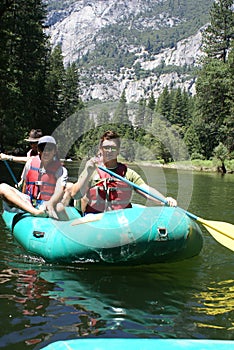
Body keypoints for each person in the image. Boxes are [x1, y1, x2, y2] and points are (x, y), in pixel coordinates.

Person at [67, 130, 177, 215]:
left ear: (118, 150)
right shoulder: (91, 171)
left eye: (113, 148)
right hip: (95, 219)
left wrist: (164, 200)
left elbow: (145, 189)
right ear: (101, 149)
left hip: (121, 219)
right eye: (106, 148)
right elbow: (76, 195)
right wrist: (87, 171)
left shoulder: (128, 173)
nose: (109, 151)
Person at [0, 136, 68, 220]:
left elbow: (59, 191)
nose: (46, 152)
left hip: (48, 203)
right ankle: (34, 212)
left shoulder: (61, 170)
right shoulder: (30, 163)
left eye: (49, 149)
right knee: (2, 187)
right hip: (29, 202)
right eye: (42, 149)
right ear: (38, 150)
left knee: (59, 207)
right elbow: (25, 186)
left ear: (54, 151)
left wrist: (51, 204)